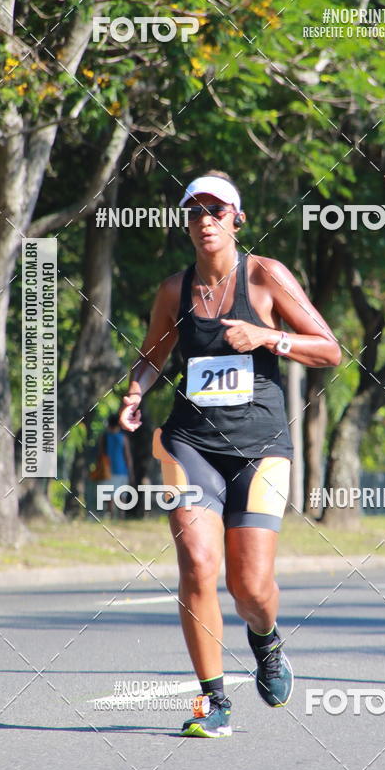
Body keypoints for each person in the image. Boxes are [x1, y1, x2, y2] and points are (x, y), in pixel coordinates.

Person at [119, 170, 341, 737]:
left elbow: (330, 350)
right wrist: (136, 392)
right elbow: (153, 356)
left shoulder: (266, 276)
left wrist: (268, 337)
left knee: (251, 588)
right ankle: (212, 702)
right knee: (197, 564)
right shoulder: (174, 290)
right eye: (194, 211)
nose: (205, 220)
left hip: (260, 449)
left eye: (216, 210)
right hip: (190, 442)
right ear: (185, 222)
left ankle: (266, 641)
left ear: (237, 219)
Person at [99, 413, 134, 518]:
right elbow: (128, 456)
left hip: (108, 469)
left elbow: (101, 454)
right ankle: (121, 516)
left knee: (110, 495)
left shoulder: (104, 437)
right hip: (122, 470)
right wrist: (131, 472)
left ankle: (111, 515)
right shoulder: (123, 438)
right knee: (122, 495)